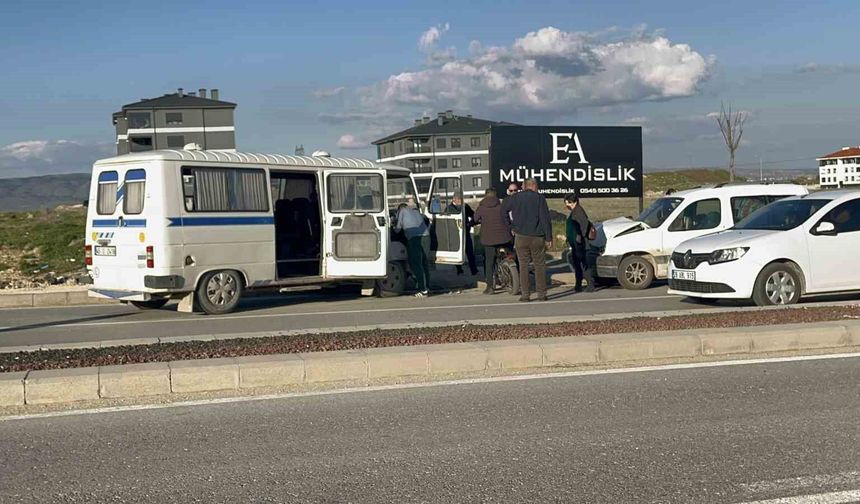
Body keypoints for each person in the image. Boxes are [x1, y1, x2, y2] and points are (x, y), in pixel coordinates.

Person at [501, 178, 552, 302]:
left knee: (523, 266)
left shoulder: (515, 198)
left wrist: (511, 227)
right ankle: (541, 294)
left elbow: (503, 211)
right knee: (539, 265)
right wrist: (549, 237)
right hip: (537, 237)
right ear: (533, 185)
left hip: (521, 236)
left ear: (524, 186)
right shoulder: (539, 198)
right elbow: (545, 219)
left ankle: (525, 295)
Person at [473, 187, 513, 294]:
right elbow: (508, 218)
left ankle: (490, 287)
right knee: (511, 255)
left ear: (486, 195)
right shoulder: (501, 205)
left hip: (489, 240)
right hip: (504, 238)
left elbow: (475, 219)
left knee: (489, 262)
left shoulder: (482, 207)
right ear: (495, 195)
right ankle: (515, 277)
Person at [394, 202, 431, 297]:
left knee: (416, 263)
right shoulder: (416, 211)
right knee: (424, 263)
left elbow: (397, 230)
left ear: (399, 209)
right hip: (426, 236)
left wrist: (394, 225)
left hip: (414, 238)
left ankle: (422, 290)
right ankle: (427, 287)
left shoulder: (401, 211)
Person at [564, 193, 595, 293]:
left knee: (583, 264)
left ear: (574, 202)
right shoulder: (575, 211)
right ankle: (578, 284)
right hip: (575, 242)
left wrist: (579, 237)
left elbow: (584, 225)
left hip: (579, 243)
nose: (567, 205)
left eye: (568, 203)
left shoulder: (579, 211)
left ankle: (590, 284)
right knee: (577, 264)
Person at [446, 194, 478, 276]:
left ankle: (474, 270)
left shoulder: (465, 207)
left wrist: (472, 223)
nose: (460, 201)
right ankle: (459, 270)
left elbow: (473, 215)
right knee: (458, 252)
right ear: (454, 199)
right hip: (455, 234)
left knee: (470, 251)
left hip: (465, 232)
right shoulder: (449, 208)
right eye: (458, 199)